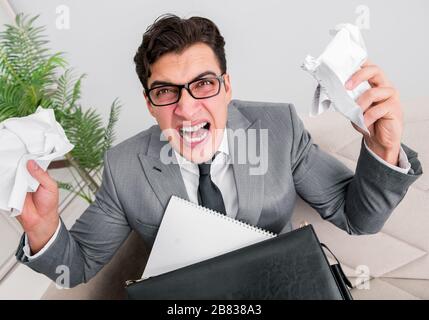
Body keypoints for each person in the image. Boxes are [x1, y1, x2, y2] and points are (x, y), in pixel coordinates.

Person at [15, 14, 422, 288]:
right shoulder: (125, 168)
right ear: (149, 103)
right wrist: (42, 228)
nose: (187, 108)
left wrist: (382, 146)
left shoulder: (278, 128)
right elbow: (77, 266)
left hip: (279, 290)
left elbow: (357, 217)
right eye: (165, 91)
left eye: (203, 84)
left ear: (227, 87)